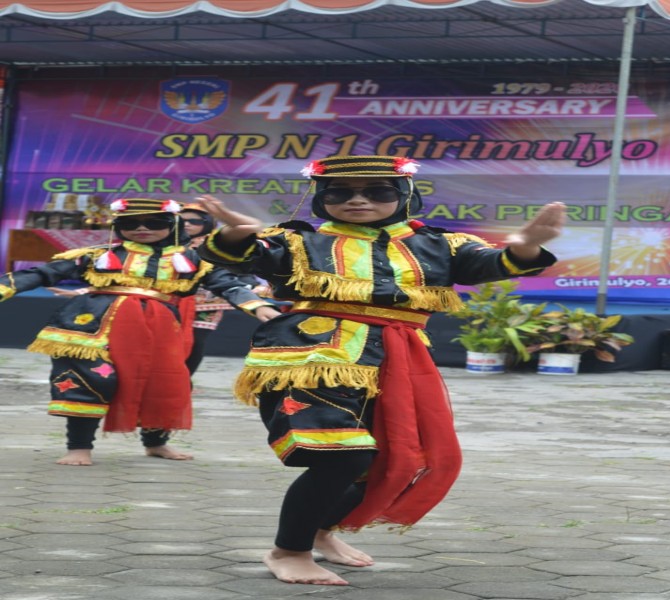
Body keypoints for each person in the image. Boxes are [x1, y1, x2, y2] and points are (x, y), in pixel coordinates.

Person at [195, 155, 566, 586]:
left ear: (404, 195)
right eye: (340, 192)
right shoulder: (298, 241)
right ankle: (289, 551)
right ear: (322, 197)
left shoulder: (442, 245)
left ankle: (320, 531)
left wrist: (526, 246)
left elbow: (494, 263)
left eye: (377, 191)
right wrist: (237, 235)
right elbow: (246, 256)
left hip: (397, 359)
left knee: (396, 459)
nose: (358, 200)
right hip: (314, 359)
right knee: (343, 455)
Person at [0, 197, 280, 466]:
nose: (142, 228)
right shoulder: (98, 254)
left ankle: (156, 443)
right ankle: (79, 446)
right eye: (131, 223)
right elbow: (43, 273)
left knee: (162, 383)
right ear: (118, 226)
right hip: (92, 327)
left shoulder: (193, 260)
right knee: (92, 381)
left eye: (154, 222)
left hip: (158, 330)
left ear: (172, 224)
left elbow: (228, 285)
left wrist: (257, 306)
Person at [180, 202, 277, 375]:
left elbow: (235, 267)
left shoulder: (216, 243)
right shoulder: (170, 244)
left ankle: (185, 378)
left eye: (195, 221)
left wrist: (253, 290)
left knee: (196, 341)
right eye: (182, 221)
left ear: (207, 223)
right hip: (175, 301)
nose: (187, 224)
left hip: (208, 302)